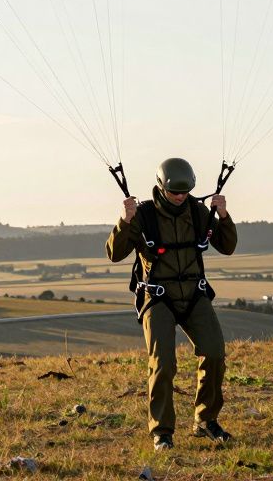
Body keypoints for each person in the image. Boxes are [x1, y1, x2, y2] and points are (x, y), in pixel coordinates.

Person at [106, 157, 238, 451]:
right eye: (175, 192)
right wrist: (124, 221)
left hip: (194, 294)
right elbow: (114, 254)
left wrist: (224, 216)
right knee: (163, 364)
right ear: (162, 188)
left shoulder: (198, 211)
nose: (180, 197)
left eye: (185, 192)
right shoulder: (144, 215)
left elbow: (227, 247)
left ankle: (205, 421)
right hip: (158, 296)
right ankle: (162, 432)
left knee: (214, 353)